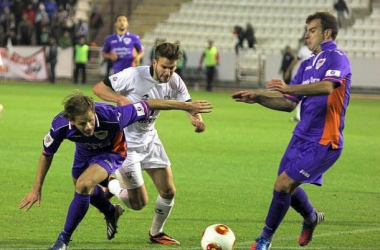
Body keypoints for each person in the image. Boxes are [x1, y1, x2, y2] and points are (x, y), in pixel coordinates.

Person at [18, 90, 213, 250]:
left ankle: (63, 241)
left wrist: (187, 106)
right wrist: (36, 188)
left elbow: (150, 104)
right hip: (84, 153)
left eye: (90, 120)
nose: (88, 126)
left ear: (93, 110)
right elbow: (46, 154)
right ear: (70, 120)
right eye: (82, 123)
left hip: (113, 152)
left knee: (84, 185)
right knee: (84, 190)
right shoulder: (59, 126)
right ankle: (111, 212)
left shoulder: (114, 116)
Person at [231, 11, 351, 250]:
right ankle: (311, 217)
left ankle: (264, 239)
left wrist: (289, 86)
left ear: (327, 33)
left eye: (312, 30)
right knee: (285, 186)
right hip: (300, 136)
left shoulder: (337, 57)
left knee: (282, 185)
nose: (306, 35)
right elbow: (288, 103)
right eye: (306, 30)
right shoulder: (306, 65)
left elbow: (328, 87)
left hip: (325, 140)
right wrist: (258, 97)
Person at [93, 42, 209, 245]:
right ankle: (110, 185)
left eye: (172, 68)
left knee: (168, 191)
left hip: (150, 140)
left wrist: (195, 119)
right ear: (155, 62)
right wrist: (119, 98)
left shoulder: (175, 81)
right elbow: (98, 88)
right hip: (125, 144)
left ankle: (156, 232)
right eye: (164, 67)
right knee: (138, 203)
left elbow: (188, 104)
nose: (168, 72)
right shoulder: (134, 75)